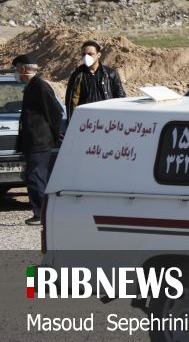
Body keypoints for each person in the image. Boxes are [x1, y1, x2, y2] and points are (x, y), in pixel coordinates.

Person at [14, 56, 62, 225]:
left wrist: (53, 135)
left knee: (36, 176)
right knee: (34, 176)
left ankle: (42, 214)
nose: (16, 72)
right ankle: (42, 213)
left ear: (24, 69)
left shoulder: (40, 86)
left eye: (17, 68)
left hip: (40, 141)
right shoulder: (30, 87)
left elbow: (55, 111)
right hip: (33, 141)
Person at [65, 40, 125, 119]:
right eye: (84, 54)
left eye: (90, 54)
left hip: (107, 117)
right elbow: (71, 101)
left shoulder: (110, 74)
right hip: (85, 119)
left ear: (98, 55)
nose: (86, 57)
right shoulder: (77, 75)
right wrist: (72, 121)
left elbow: (120, 96)